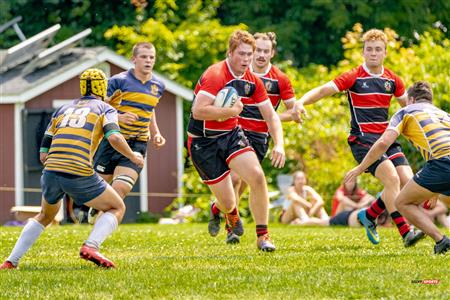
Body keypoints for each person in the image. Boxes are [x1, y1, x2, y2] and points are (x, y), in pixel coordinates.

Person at [0, 69, 144, 270]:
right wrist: (132, 156)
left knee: (45, 216)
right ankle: (91, 247)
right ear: (102, 87)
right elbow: (114, 137)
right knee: (116, 207)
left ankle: (10, 261)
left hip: (51, 171)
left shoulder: (63, 109)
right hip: (77, 170)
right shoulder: (105, 108)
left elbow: (43, 152)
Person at [291, 28, 423, 247]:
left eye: (378, 49)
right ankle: (406, 232)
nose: (373, 53)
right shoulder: (354, 76)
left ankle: (369, 215)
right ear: (363, 52)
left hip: (387, 139)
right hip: (362, 140)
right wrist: (300, 102)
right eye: (369, 49)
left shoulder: (393, 80)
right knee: (391, 178)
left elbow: (410, 111)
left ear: (385, 53)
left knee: (407, 180)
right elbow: (325, 90)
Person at [187, 30, 285, 251]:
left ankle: (263, 237)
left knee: (258, 177)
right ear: (230, 53)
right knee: (229, 201)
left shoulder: (252, 81)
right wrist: (230, 111)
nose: (246, 59)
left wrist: (279, 144)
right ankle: (226, 212)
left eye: (249, 55)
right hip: (203, 143)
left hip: (231, 135)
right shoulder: (216, 75)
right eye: (241, 54)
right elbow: (198, 111)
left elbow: (271, 115)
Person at [345, 81, 450, 254]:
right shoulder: (444, 114)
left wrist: (360, 167)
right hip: (442, 163)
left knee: (402, 202)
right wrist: (436, 191)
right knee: (400, 184)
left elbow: (384, 142)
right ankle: (370, 215)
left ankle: (441, 240)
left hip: (442, 163)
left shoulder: (405, 111)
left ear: (411, 99)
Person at [218, 31, 296, 243]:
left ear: (272, 53)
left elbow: (292, 112)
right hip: (236, 132)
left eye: (265, 51)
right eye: (257, 51)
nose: (260, 55)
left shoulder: (280, 79)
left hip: (260, 136)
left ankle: (220, 206)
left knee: (244, 184)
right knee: (234, 178)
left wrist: (271, 118)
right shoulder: (238, 73)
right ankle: (235, 229)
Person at [90, 42, 166, 221]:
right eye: (144, 57)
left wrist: (156, 132)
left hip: (138, 143)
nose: (148, 60)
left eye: (151, 57)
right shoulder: (119, 81)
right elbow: (98, 106)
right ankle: (96, 207)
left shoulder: (158, 86)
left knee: (121, 189)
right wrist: (118, 116)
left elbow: (150, 109)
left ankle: (98, 230)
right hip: (113, 140)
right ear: (134, 59)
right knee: (97, 188)